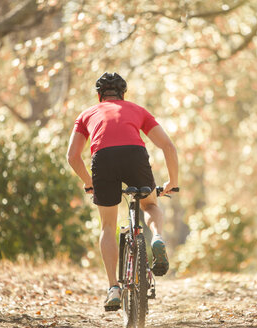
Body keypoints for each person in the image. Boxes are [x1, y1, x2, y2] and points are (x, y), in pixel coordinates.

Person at [66, 72, 179, 311]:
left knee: (108, 226)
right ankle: (157, 237)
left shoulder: (87, 114)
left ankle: (113, 288)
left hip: (102, 158)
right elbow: (168, 145)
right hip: (134, 154)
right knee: (150, 205)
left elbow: (72, 156)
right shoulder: (137, 110)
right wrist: (172, 181)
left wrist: (89, 181)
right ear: (123, 94)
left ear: (99, 96)